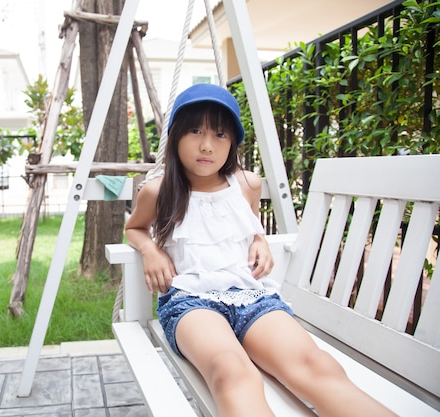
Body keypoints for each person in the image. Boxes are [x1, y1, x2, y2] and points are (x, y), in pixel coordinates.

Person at [125, 83, 396, 417]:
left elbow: (248, 226)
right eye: (195, 130)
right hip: (190, 301)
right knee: (230, 370)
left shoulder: (247, 185)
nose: (207, 144)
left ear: (234, 143)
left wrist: (259, 240)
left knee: (317, 366)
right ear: (176, 135)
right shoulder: (158, 191)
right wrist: (150, 249)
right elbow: (134, 228)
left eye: (220, 134)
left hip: (251, 297)